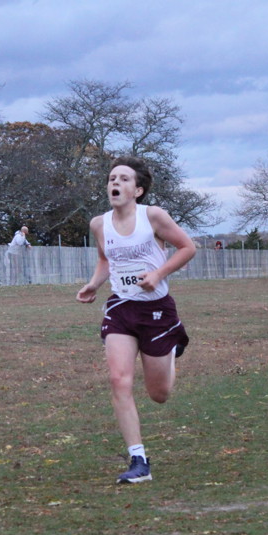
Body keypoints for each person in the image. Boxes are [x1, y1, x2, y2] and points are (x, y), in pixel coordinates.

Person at [76, 156, 196, 484]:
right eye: (112, 178)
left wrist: (158, 274)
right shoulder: (99, 224)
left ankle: (171, 348)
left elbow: (187, 248)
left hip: (156, 310)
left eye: (124, 178)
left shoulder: (153, 216)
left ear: (138, 190)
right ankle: (139, 459)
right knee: (119, 380)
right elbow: (105, 259)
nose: (115, 182)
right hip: (121, 308)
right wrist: (94, 284)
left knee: (159, 394)